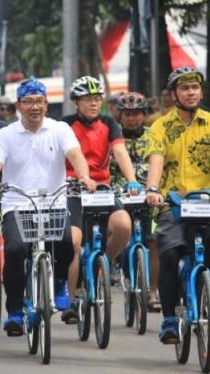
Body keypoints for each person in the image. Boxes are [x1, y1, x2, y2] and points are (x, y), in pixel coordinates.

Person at [0, 78, 96, 336]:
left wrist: (84, 176)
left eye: (39, 102)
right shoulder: (6, 134)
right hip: (17, 203)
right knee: (14, 250)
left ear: (46, 104)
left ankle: (59, 282)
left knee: (67, 243)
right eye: (28, 102)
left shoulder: (60, 129)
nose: (34, 107)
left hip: (53, 201)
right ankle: (14, 311)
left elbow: (76, 155)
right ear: (18, 106)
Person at [145, 67, 210, 344]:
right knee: (169, 254)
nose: (191, 93)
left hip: (209, 202)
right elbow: (156, 161)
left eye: (195, 88)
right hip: (172, 203)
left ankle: (209, 276)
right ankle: (169, 319)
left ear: (201, 92)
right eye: (185, 88)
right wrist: (152, 190)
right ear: (174, 94)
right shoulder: (160, 127)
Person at [61, 76, 139, 323]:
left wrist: (132, 180)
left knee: (124, 225)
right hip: (72, 190)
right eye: (87, 99)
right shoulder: (64, 125)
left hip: (102, 189)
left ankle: (102, 263)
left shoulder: (108, 123)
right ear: (76, 101)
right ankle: (71, 301)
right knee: (74, 242)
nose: (94, 103)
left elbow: (120, 151)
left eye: (97, 99)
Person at [111, 92, 161, 311]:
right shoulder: (112, 137)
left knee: (154, 242)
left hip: (149, 196)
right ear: (120, 116)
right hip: (119, 195)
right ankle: (113, 263)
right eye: (127, 114)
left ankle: (153, 292)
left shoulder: (154, 137)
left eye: (137, 114)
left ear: (144, 115)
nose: (132, 118)